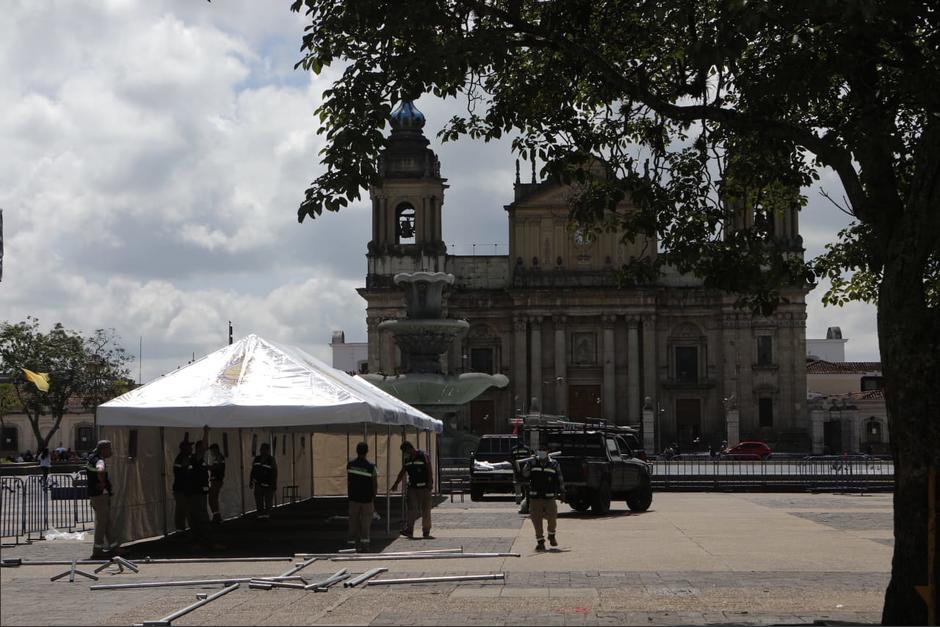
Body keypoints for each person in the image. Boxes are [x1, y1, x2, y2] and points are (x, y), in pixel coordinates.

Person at [521, 449, 565, 552]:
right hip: (535, 497)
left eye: (543, 451)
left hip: (549, 497)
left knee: (552, 517)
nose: (542, 453)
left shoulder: (554, 464)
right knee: (536, 520)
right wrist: (529, 464)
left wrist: (563, 492)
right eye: (540, 451)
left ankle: (551, 535)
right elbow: (525, 474)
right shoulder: (532, 462)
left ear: (548, 452)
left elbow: (560, 478)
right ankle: (540, 542)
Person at [391, 441, 434, 539]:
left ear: (410, 448)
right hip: (412, 488)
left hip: (425, 488)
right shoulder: (407, 459)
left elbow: (429, 469)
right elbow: (402, 472)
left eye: (406, 451)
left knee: (426, 510)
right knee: (411, 509)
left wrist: (430, 483)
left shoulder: (423, 455)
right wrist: (396, 484)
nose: (406, 454)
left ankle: (426, 531)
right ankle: (409, 530)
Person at [86, 440, 121, 558]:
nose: (111, 451)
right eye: (109, 449)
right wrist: (102, 482)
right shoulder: (99, 460)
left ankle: (114, 548)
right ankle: (97, 551)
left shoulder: (92, 458)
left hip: (96, 495)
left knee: (107, 522)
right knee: (102, 524)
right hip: (100, 496)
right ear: (103, 449)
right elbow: (100, 469)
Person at [346, 441, 378, 552]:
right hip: (367, 499)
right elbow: (375, 484)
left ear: (356, 451)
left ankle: (351, 545)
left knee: (353, 522)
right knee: (365, 524)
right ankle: (365, 546)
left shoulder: (350, 464)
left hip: (353, 498)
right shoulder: (371, 467)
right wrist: (374, 497)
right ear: (367, 451)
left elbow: (349, 480)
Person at [185, 426, 213, 546]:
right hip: (192, 492)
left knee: (201, 514)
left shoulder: (199, 459)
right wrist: (205, 432)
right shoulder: (192, 459)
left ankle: (204, 536)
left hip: (199, 492)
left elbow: (204, 447)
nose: (203, 449)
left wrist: (206, 433)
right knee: (193, 515)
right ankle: (196, 536)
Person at [249, 442, 277, 519]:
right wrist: (251, 481)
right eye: (261, 449)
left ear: (268, 450)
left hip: (268, 484)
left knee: (268, 501)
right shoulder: (257, 459)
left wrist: (274, 484)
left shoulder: (271, 459)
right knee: (258, 500)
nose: (262, 450)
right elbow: (253, 470)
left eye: (264, 449)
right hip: (258, 483)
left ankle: (267, 514)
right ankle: (260, 514)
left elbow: (274, 473)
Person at [172, 440, 193, 534]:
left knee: (181, 510)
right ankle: (182, 530)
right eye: (189, 447)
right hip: (181, 489)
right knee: (184, 509)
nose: (191, 449)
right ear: (184, 448)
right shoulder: (183, 458)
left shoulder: (182, 458)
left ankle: (180, 530)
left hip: (180, 488)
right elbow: (186, 473)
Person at [511, 438, 534, 514]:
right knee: (523, 490)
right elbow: (512, 460)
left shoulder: (523, 449)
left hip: (523, 472)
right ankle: (524, 506)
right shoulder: (524, 449)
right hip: (521, 473)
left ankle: (526, 506)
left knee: (526, 490)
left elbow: (512, 460)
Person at [207, 443, 226, 524]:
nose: (211, 453)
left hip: (216, 481)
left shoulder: (219, 457)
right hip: (216, 481)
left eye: (212, 451)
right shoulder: (218, 457)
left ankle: (216, 516)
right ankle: (216, 516)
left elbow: (216, 467)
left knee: (212, 498)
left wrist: (206, 466)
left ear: (216, 450)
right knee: (213, 498)